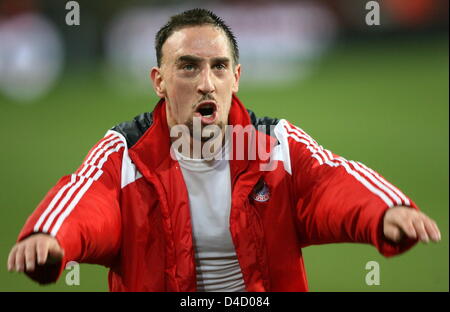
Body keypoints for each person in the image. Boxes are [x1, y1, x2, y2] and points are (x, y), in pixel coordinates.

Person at [7, 8, 441, 292]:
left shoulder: (276, 146)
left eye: (218, 67)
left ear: (236, 77)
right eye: (189, 66)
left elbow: (330, 181)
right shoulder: (124, 153)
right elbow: (87, 199)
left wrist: (386, 210)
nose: (205, 82)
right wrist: (50, 236)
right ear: (158, 81)